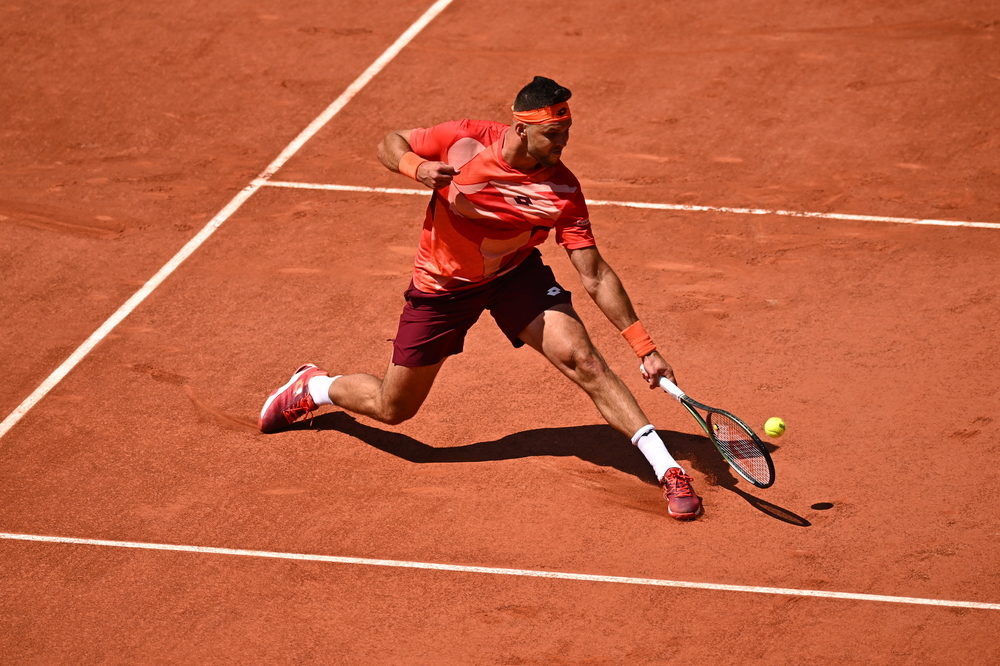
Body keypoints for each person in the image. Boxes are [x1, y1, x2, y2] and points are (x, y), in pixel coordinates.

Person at [259, 76, 703, 520]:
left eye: (567, 131)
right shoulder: (464, 140)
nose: (563, 142)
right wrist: (416, 167)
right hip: (442, 288)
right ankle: (315, 387)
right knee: (393, 408)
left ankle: (668, 471)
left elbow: (596, 274)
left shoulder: (563, 190)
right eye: (553, 133)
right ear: (522, 128)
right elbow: (389, 142)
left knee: (585, 361)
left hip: (514, 276)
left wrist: (645, 348)